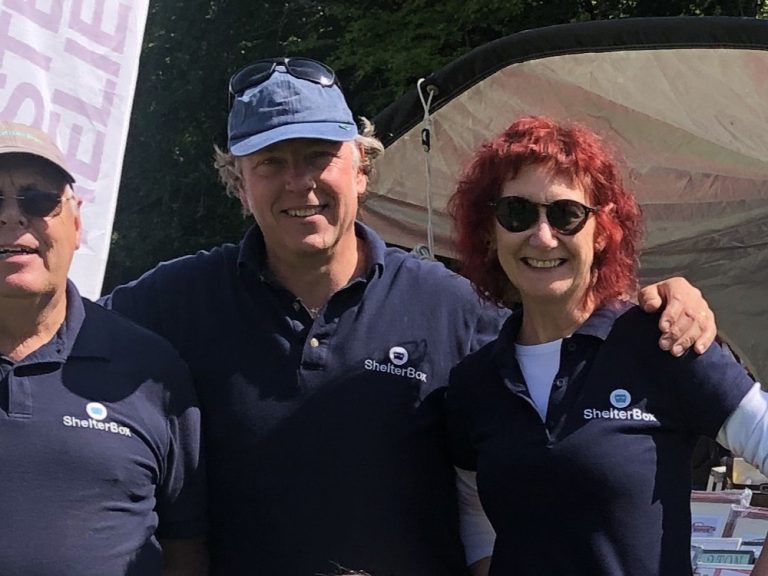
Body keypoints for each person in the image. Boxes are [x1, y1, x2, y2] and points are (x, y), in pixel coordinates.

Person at [102, 58, 717, 575]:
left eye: (318, 155)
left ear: (362, 167)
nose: (300, 183)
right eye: (270, 163)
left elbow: (568, 362)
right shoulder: (174, 300)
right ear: (239, 183)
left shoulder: (451, 306)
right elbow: (52, 337)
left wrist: (655, 302)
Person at [445, 115, 768, 576]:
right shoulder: (475, 382)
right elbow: (473, 505)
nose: (541, 236)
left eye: (566, 214)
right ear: (489, 231)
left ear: (602, 233)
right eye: (516, 212)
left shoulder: (662, 340)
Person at [0, 122, 207, 575]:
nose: (13, 217)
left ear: (76, 223)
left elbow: (185, 545)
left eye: (39, 200)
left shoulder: (150, 370)